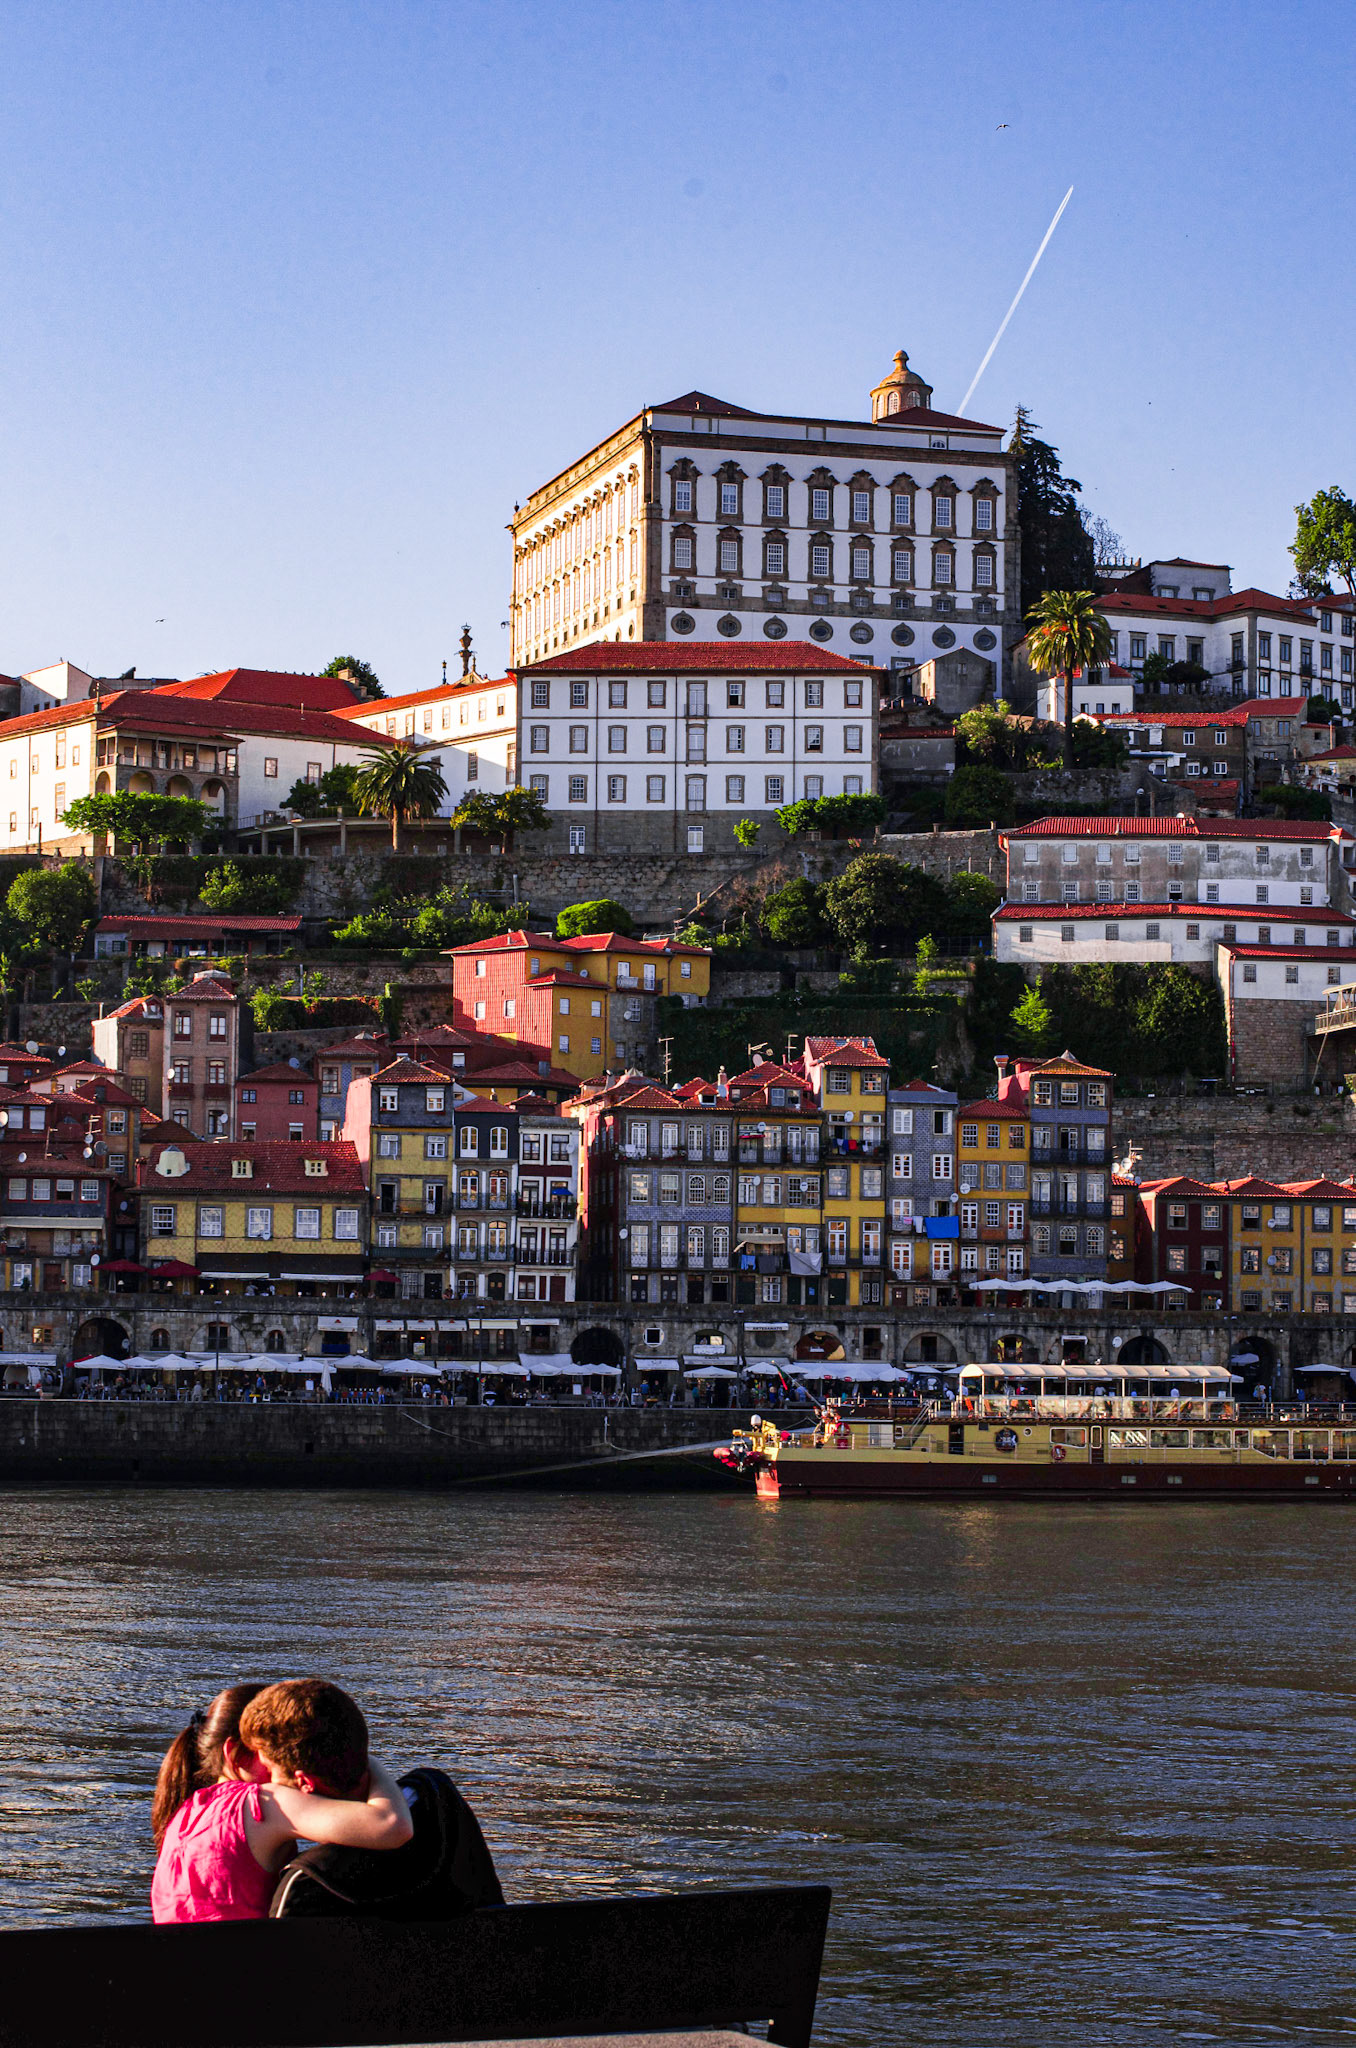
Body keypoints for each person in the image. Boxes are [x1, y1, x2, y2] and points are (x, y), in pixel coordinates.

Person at [150, 1678, 413, 1923]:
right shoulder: (262, 1802)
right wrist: (365, 1761)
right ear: (236, 1756)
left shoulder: (185, 1811)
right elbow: (391, 1825)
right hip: (242, 1967)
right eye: (273, 1754)